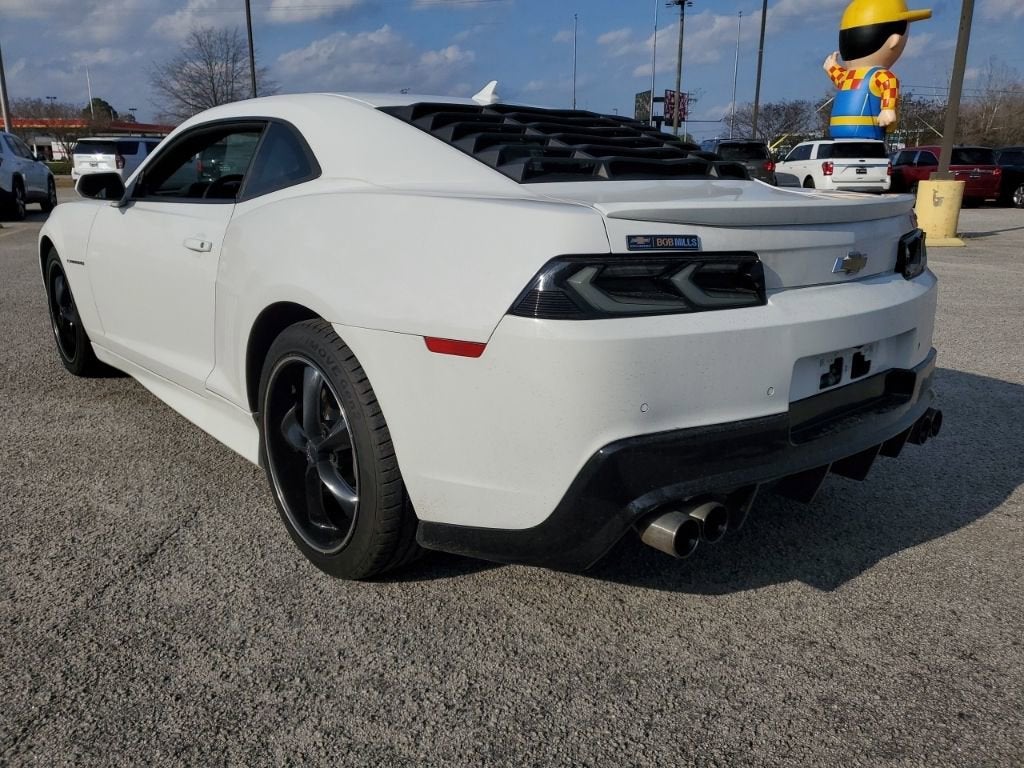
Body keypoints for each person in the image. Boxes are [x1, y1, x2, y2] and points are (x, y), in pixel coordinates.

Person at [824, 0, 931, 141]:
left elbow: (842, 79)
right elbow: (890, 84)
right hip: (861, 135)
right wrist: (888, 109)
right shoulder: (877, 75)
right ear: (895, 40)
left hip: (852, 133)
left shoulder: (861, 76)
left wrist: (888, 109)